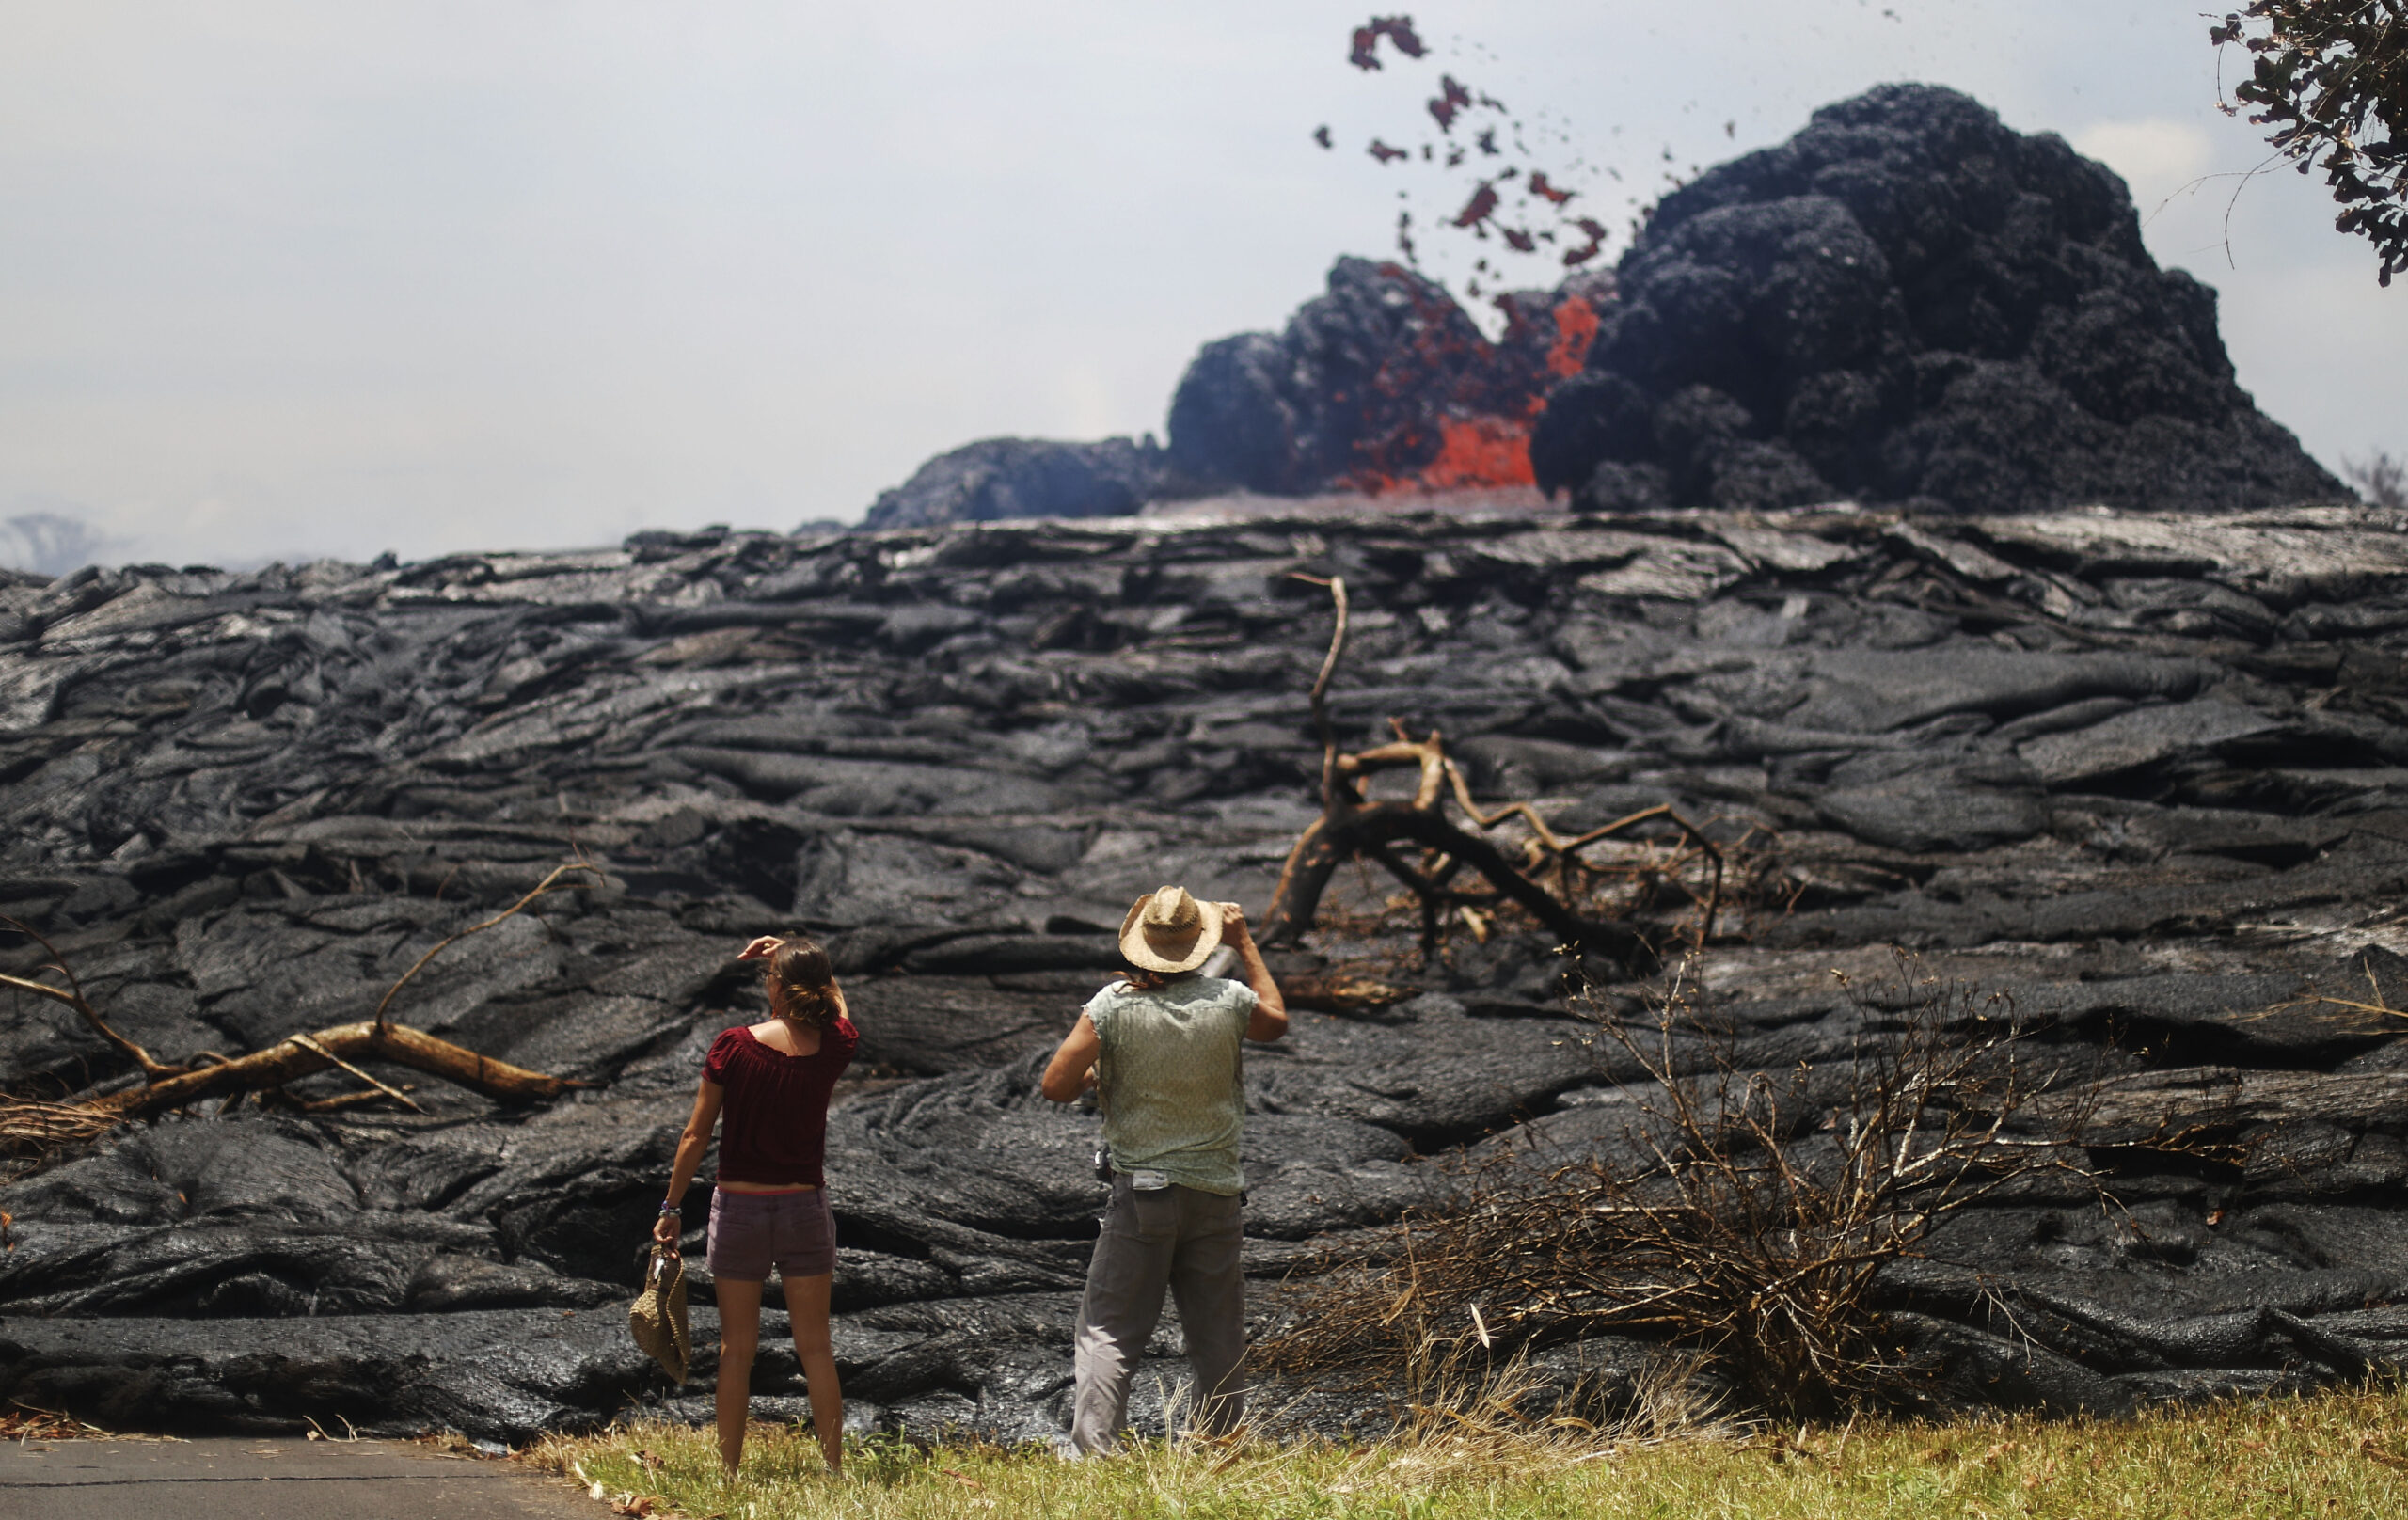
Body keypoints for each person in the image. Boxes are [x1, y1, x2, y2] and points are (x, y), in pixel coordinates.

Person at [1040, 885, 1288, 1454]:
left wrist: (1096, 1077)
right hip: (1217, 1192)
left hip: (1144, 1193)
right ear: (1200, 944)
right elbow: (1276, 1022)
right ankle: (1220, 1444)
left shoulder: (1111, 1007)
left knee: (1109, 1328)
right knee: (1216, 1332)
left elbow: (1055, 1086)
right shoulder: (1228, 1001)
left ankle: (1094, 1453)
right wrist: (1246, 943)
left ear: (1140, 945)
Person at [655, 934, 858, 1476]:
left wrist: (671, 1208)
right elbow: (839, 1012)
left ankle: (728, 1473)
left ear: (775, 986)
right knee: (816, 1348)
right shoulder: (834, 1046)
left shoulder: (733, 1046)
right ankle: (834, 1470)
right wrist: (801, 959)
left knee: (735, 1350)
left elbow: (695, 1136)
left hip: (740, 1211)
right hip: (804, 1210)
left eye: (769, 976)